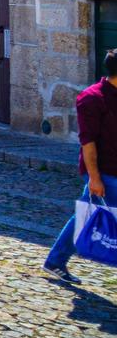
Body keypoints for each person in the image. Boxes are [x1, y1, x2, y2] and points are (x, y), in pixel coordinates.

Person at [43, 48, 117, 284]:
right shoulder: (92, 98)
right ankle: (55, 260)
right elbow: (88, 142)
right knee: (86, 217)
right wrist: (95, 178)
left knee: (85, 217)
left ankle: (55, 260)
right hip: (104, 172)